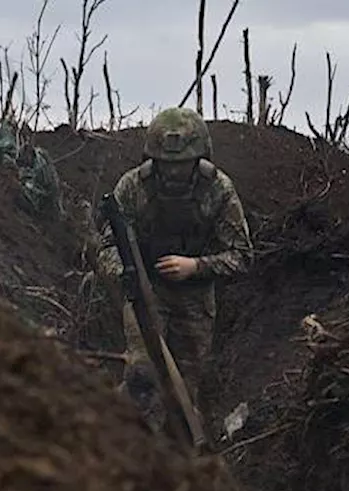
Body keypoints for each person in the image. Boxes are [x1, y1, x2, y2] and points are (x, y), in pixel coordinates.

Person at [95, 106, 252, 425]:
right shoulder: (132, 187)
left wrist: (195, 266)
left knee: (183, 392)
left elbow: (241, 255)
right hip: (146, 293)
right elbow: (106, 247)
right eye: (166, 164)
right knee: (143, 377)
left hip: (194, 303)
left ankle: (176, 459)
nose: (174, 172)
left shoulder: (218, 189)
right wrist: (129, 277)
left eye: (182, 164)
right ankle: (123, 444)